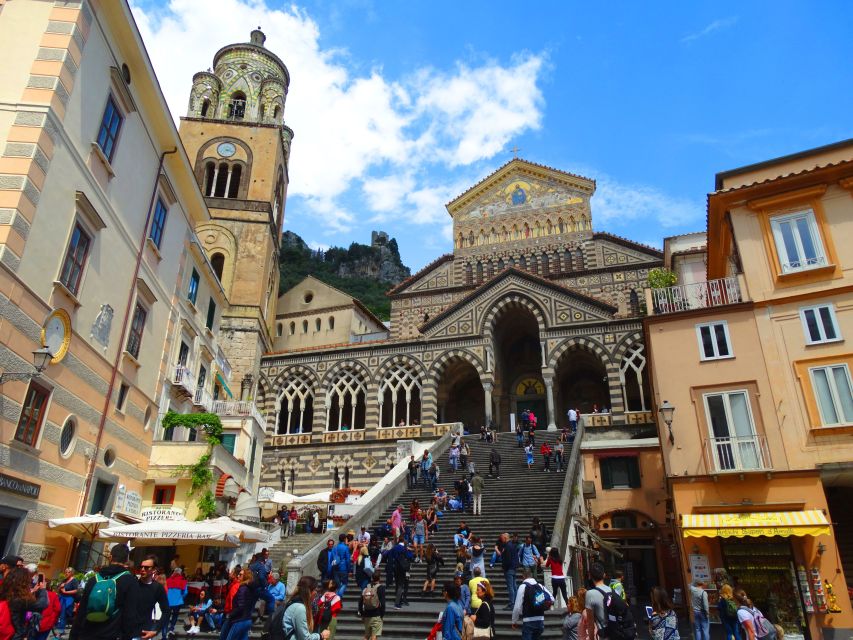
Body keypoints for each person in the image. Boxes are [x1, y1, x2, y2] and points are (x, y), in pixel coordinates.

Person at [69, 543, 142, 640]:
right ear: (126, 560)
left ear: (110, 557)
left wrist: (74, 635)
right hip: (111, 633)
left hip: (87, 633)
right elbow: (130, 615)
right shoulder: (130, 581)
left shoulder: (94, 579)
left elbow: (82, 611)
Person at [283, 576, 331, 640]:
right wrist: (321, 635)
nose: (316, 593)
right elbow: (305, 638)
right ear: (309, 591)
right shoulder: (299, 608)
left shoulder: (295, 602)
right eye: (315, 590)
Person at [512, 567, 553, 640]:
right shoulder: (540, 586)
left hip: (528, 620)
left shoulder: (523, 587)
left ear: (523, 576)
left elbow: (517, 606)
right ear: (531, 575)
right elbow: (552, 598)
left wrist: (514, 621)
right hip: (540, 620)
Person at [137, 555, 169, 640]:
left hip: (144, 632)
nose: (143, 569)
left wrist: (155, 631)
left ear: (154, 570)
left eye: (147, 567)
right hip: (127, 631)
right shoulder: (133, 584)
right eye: (141, 566)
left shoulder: (157, 588)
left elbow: (166, 611)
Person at [584, 563, 611, 640]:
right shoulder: (611, 590)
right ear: (604, 575)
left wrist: (591, 638)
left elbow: (590, 622)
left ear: (590, 576)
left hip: (604, 633)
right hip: (616, 631)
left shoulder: (590, 594)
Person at [358, 572, 385, 640]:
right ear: (379, 578)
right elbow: (383, 603)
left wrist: (362, 613)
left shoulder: (367, 587)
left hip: (367, 614)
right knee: (374, 635)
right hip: (376, 614)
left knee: (366, 635)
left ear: (372, 578)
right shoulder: (380, 588)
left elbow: (360, 601)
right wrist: (382, 615)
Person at [165, 567, 188, 638]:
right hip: (178, 602)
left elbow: (165, 590)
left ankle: (165, 629)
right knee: (175, 616)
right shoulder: (183, 581)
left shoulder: (168, 580)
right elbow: (185, 592)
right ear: (180, 573)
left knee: (166, 616)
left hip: (168, 601)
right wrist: (181, 597)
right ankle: (171, 628)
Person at [390, 538, 412, 609]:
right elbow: (409, 556)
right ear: (403, 541)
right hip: (402, 569)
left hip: (395, 568)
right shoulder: (404, 549)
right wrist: (409, 550)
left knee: (397, 585)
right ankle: (397, 603)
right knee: (401, 586)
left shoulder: (394, 548)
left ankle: (398, 600)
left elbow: (390, 556)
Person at [499, 533, 519, 610]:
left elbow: (507, 559)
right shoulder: (513, 545)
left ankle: (512, 603)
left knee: (510, 586)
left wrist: (504, 567)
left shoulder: (507, 546)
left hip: (509, 568)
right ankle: (516, 602)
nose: (501, 540)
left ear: (505, 538)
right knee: (514, 586)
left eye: (502, 538)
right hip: (513, 568)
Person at [56, 566, 79, 635]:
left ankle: (60, 631)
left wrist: (66, 592)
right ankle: (59, 628)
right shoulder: (64, 580)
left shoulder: (74, 580)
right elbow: (58, 589)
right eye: (65, 572)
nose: (66, 573)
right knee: (59, 613)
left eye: (67, 572)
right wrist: (60, 587)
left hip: (68, 599)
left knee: (64, 614)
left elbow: (76, 590)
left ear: (71, 573)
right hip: (61, 598)